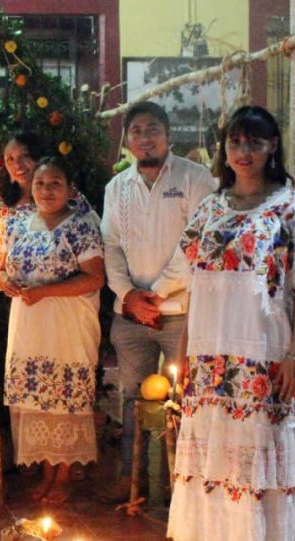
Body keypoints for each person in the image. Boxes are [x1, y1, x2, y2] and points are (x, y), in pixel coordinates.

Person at [168, 105, 295, 541]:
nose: (244, 152)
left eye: (255, 143)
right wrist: (183, 346)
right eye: (236, 143)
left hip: (262, 344)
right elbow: (193, 284)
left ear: (272, 148)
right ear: (225, 149)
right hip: (208, 342)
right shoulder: (209, 207)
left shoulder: (290, 206)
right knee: (215, 444)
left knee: (253, 441)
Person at [100, 101, 216, 497]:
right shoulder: (116, 188)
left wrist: (157, 293)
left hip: (182, 312)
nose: (144, 138)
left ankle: (184, 488)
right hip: (130, 314)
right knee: (132, 398)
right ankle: (133, 482)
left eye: (152, 130)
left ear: (168, 135)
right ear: (127, 139)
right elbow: (110, 246)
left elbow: (197, 242)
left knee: (186, 397)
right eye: (136, 131)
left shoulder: (195, 178)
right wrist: (129, 295)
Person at [0, 156, 105, 504]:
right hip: (28, 322)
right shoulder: (18, 222)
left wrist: (44, 292)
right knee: (36, 397)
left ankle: (62, 477)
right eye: (41, 184)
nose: (46, 190)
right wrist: (6, 284)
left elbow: (94, 277)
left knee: (64, 397)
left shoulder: (82, 224)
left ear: (70, 189)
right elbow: (1, 270)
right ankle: (45, 471)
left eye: (55, 183)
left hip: (67, 322)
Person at [0, 132, 92, 266]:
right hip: (14, 283)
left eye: (25, 156)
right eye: (10, 159)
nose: (18, 165)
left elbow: (91, 246)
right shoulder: (0, 202)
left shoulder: (67, 195)